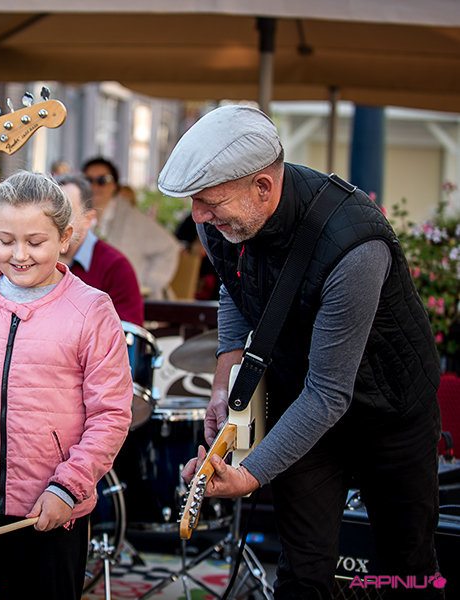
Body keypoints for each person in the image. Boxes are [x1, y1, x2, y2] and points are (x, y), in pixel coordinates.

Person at [161, 105, 443, 598]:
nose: (197, 216)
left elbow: (329, 394)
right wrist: (224, 383)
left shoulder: (355, 246)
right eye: (194, 201)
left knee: (409, 568)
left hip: (390, 411)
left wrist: (248, 475)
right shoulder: (220, 221)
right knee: (301, 572)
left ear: (262, 187)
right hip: (303, 401)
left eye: (209, 202)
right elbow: (234, 288)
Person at [0, 171, 132, 600]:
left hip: (51, 508)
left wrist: (68, 487)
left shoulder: (92, 310)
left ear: (65, 237)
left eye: (35, 242)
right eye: (5, 240)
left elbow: (110, 415)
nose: (19, 255)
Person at [82, 157, 180, 298]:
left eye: (102, 180)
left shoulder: (132, 218)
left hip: (126, 298)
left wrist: (147, 285)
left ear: (114, 185)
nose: (94, 186)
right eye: (88, 180)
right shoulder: (78, 214)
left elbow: (169, 247)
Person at [56, 173, 144, 325]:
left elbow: (127, 333)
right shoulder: (34, 260)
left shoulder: (116, 267)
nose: (57, 222)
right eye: (51, 214)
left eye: (66, 214)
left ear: (89, 219)